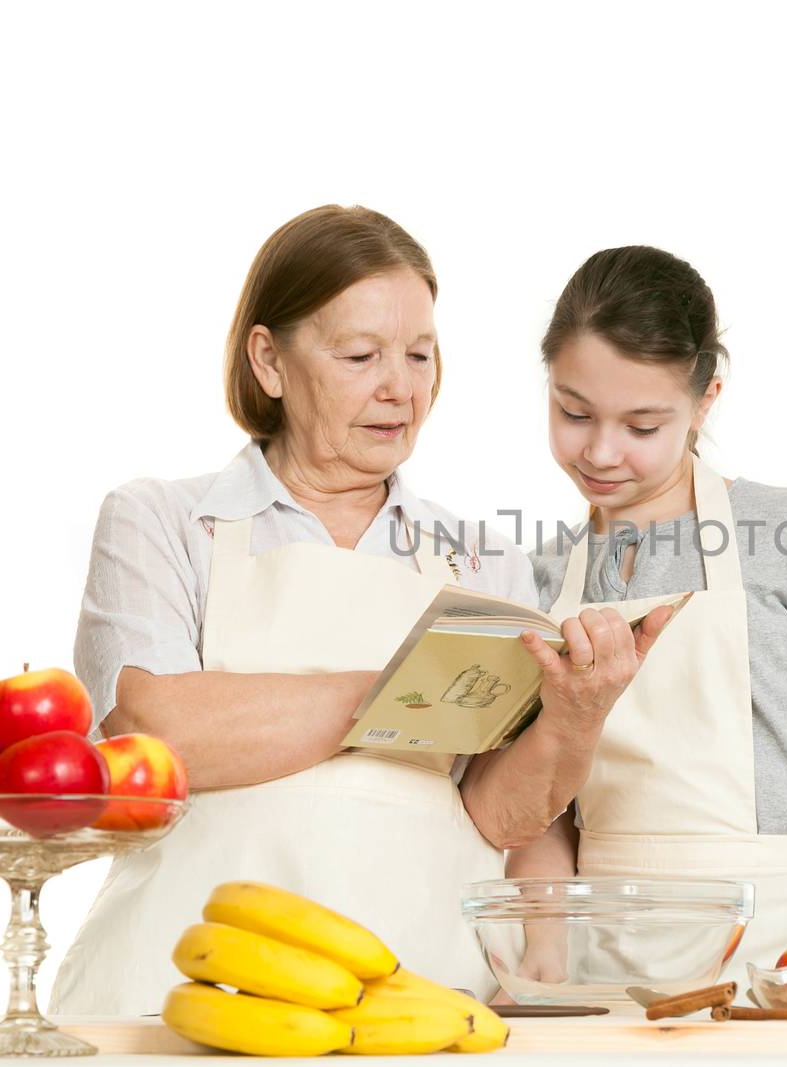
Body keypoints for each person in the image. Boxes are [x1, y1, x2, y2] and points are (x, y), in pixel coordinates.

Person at [49, 207, 670, 1014]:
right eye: (360, 355)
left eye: (420, 355)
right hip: (182, 979)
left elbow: (496, 812)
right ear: (269, 359)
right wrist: (405, 693)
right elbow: (161, 738)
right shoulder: (163, 521)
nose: (401, 388)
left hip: (418, 984)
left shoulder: (488, 560)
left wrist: (576, 715)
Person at [511, 246, 787, 989]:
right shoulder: (541, 579)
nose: (601, 450)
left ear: (705, 401)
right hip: (604, 968)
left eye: (642, 424)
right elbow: (546, 818)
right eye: (573, 411)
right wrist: (543, 960)